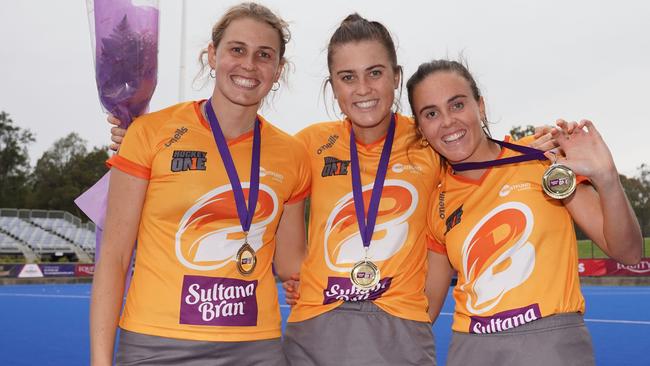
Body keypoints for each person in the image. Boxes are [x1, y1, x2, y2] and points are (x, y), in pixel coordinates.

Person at [90, 3, 310, 365]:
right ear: (212, 54)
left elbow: (290, 262)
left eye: (264, 55)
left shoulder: (292, 154)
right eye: (237, 49)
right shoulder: (150, 134)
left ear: (278, 70)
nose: (249, 65)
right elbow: (114, 257)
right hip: (156, 344)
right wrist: (100, 361)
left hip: (255, 347)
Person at [406, 59, 642, 366]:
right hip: (469, 349)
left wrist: (608, 179)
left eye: (458, 104)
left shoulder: (541, 158)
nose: (448, 121)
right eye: (431, 113)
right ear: (421, 128)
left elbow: (629, 253)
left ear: (481, 106)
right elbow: (426, 306)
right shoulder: (437, 201)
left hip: (550, 347)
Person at [281, 14, 451, 366]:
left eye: (375, 73)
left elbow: (488, 161)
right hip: (315, 331)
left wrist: (542, 148)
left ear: (396, 77)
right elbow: (245, 174)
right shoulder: (309, 144)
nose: (362, 89)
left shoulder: (430, 141)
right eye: (348, 77)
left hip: (401, 332)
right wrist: (305, 278)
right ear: (333, 86)